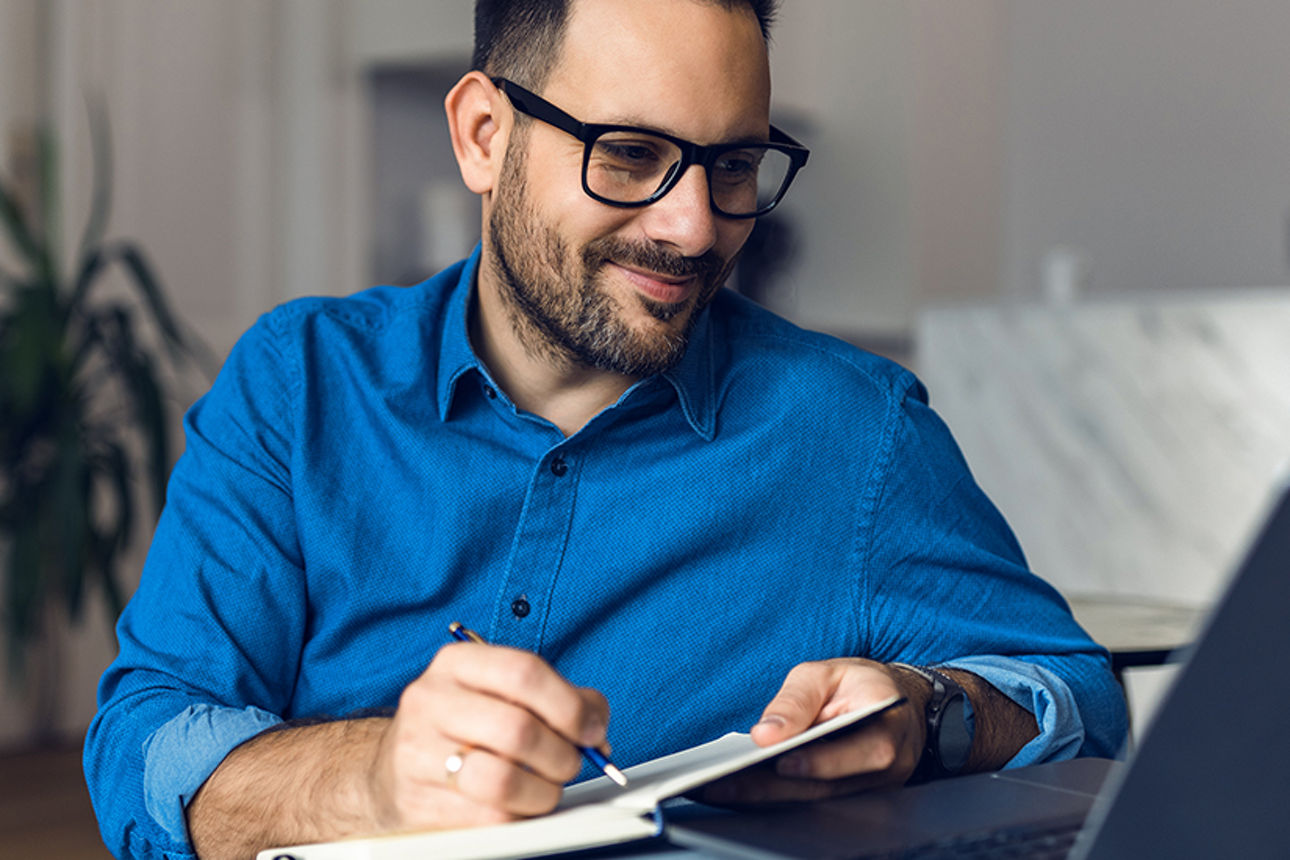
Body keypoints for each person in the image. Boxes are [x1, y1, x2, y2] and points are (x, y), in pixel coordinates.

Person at [84, 1, 1127, 857]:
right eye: (629, 154)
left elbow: (1075, 690)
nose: (695, 226)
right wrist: (371, 777)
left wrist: (931, 710)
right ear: (483, 135)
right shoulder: (298, 383)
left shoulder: (858, 431)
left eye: (733, 166)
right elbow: (146, 742)